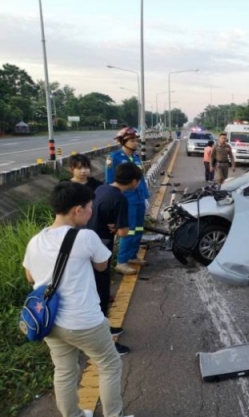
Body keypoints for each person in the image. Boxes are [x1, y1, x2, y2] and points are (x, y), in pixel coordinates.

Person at [22, 182, 131, 417]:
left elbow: (30, 276)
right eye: (90, 207)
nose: (92, 212)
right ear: (77, 210)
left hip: (50, 321)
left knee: (64, 371)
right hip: (85, 322)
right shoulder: (86, 237)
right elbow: (102, 266)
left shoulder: (35, 240)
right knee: (109, 364)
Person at [88, 163, 143, 356]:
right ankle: (104, 344)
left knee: (97, 289)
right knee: (101, 293)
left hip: (88, 241)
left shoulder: (102, 188)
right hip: (100, 247)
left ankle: (104, 328)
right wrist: (118, 228)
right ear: (134, 181)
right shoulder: (120, 199)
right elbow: (123, 231)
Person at [106, 127, 150, 275]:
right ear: (123, 142)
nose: (135, 142)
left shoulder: (136, 158)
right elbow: (110, 181)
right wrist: (114, 201)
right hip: (125, 200)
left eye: (136, 140)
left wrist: (145, 197)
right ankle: (121, 261)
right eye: (132, 140)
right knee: (127, 230)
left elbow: (141, 180)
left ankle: (132, 256)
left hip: (138, 199)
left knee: (138, 229)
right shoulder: (114, 157)